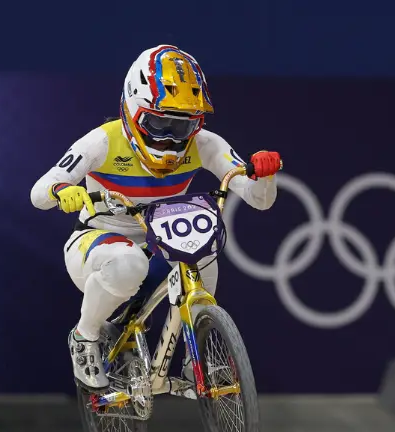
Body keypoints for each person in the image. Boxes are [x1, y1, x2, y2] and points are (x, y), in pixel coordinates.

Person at [30, 45, 282, 390]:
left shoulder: (204, 144)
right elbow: (39, 192)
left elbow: (259, 200)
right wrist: (61, 191)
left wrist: (265, 176)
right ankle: (84, 337)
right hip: (95, 243)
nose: (170, 139)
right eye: (159, 123)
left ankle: (202, 357)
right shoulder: (103, 141)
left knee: (202, 251)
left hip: (160, 240)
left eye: (183, 127)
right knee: (129, 263)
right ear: (133, 109)